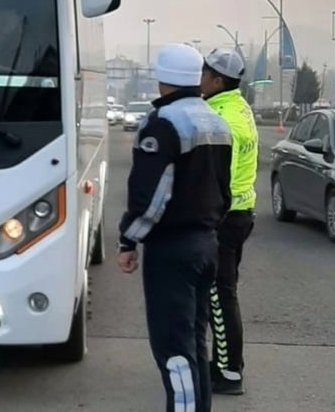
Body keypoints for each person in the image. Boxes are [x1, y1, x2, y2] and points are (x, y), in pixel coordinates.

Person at [118, 43, 233, 412]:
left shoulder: (163, 125)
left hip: (172, 250)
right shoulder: (216, 122)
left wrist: (128, 240)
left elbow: (151, 196)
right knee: (195, 344)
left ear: (161, 79)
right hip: (207, 244)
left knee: (173, 349)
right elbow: (224, 189)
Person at [201, 49, 258, 396]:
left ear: (218, 80)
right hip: (241, 214)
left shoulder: (221, 120)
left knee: (219, 297)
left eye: (205, 72)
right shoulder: (240, 107)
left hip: (225, 218)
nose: (201, 78)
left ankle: (229, 372)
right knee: (223, 294)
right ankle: (224, 361)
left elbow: (215, 178)